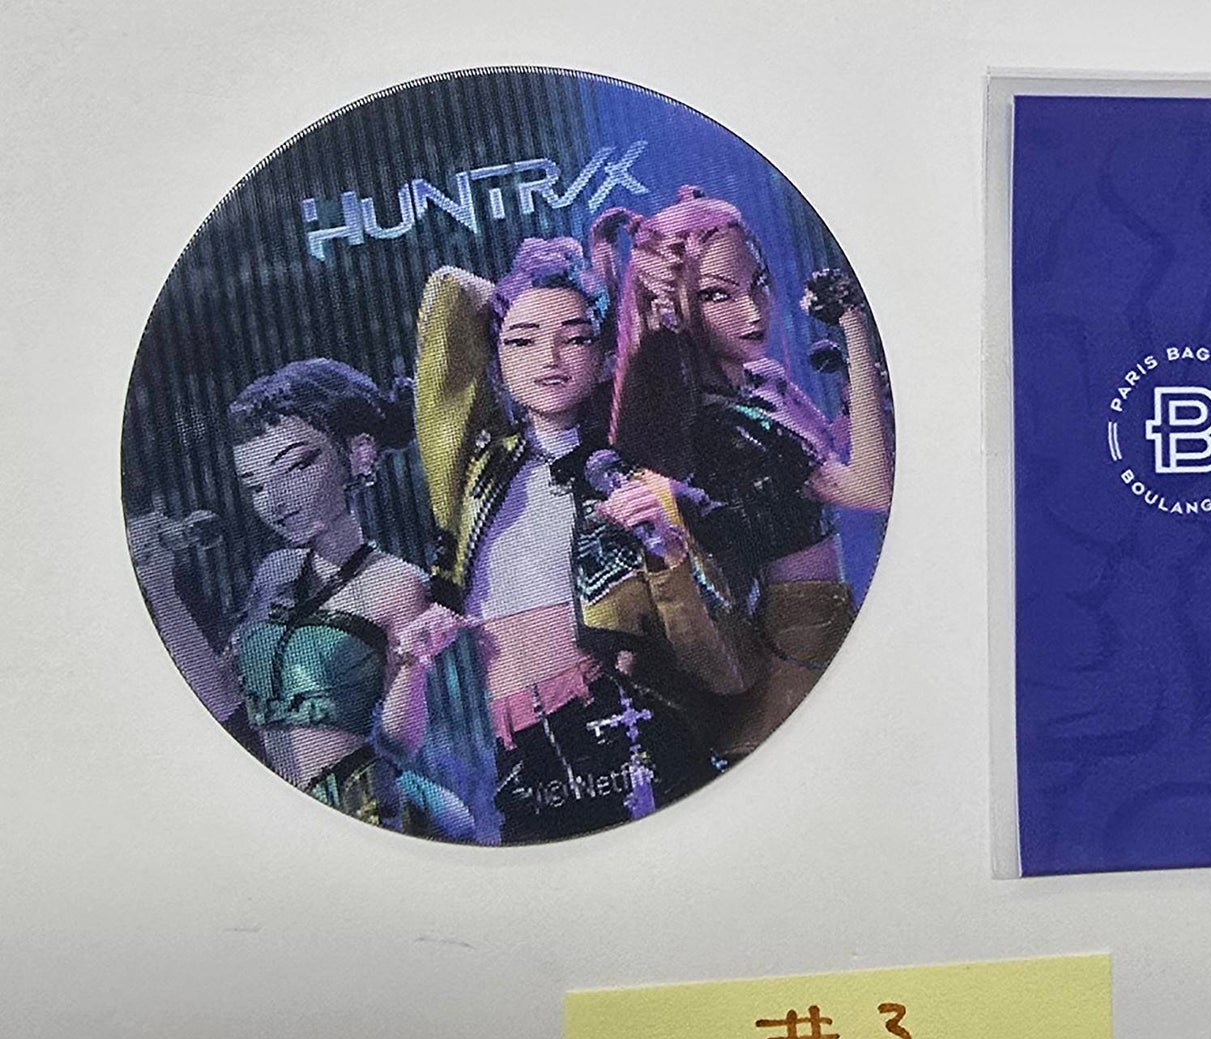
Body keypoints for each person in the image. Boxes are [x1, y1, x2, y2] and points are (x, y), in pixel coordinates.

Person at [406, 236, 758, 843]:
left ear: (603, 356)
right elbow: (449, 298)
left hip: (625, 725)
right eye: (522, 341)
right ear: (494, 357)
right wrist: (545, 277)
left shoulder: (634, 469)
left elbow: (722, 633)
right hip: (521, 750)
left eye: (574, 338)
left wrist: (667, 544)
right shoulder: (478, 473)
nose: (548, 358)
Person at [604, 189, 893, 756]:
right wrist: (855, 329)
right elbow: (871, 489)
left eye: (757, 283)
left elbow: (832, 454)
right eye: (718, 295)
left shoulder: (763, 381)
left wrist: (859, 398)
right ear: (674, 309)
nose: (753, 311)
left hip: (825, 620)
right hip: (796, 642)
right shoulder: (725, 427)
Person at [129, 359, 472, 838]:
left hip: (365, 811)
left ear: (359, 453)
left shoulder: (396, 583)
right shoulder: (275, 573)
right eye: (255, 485)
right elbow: (221, 696)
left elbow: (399, 743)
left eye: (295, 467)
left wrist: (414, 664)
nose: (274, 500)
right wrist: (161, 590)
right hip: (273, 809)